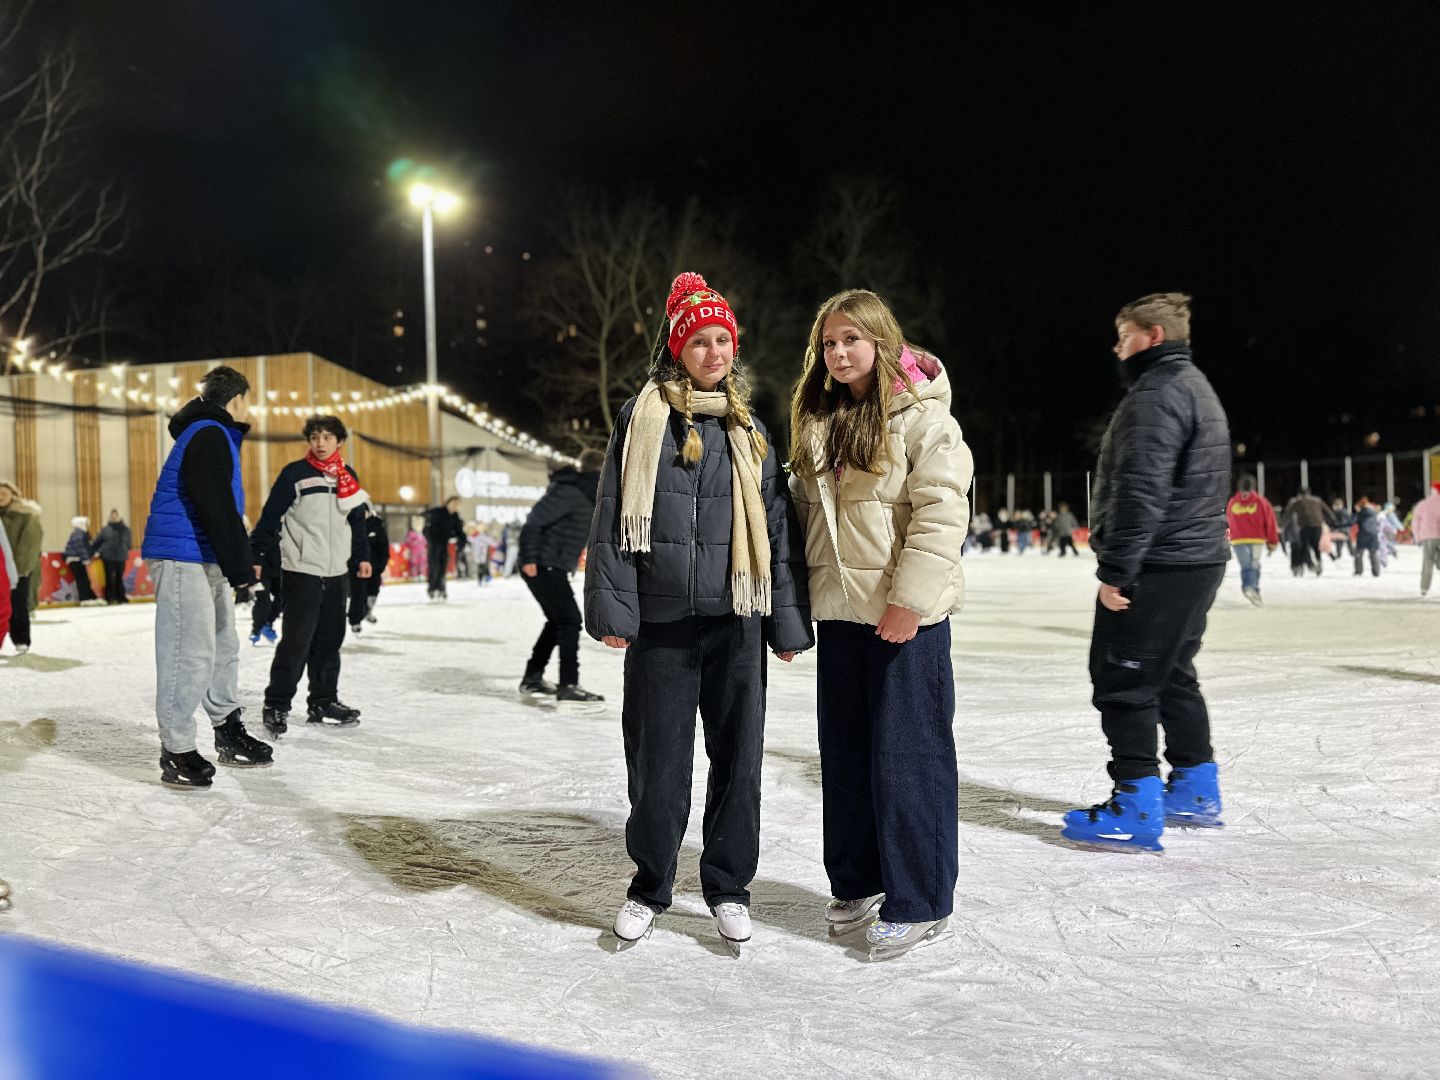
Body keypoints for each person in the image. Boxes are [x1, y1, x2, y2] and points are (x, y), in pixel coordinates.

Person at [585, 272, 812, 952]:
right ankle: (650, 884)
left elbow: (775, 530)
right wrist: (615, 609)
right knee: (658, 765)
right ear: (677, 349)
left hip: (736, 620)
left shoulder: (750, 430)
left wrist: (786, 622)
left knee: (739, 761)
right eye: (700, 342)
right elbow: (612, 513)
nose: (714, 353)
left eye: (723, 340)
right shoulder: (642, 418)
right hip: (661, 624)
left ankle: (729, 887)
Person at [789, 288, 972, 960]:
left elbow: (942, 512)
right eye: (828, 343)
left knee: (909, 761)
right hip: (841, 616)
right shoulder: (818, 420)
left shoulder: (923, 417)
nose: (838, 354)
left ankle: (920, 899)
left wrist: (909, 601)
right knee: (845, 758)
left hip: (904, 621)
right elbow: (805, 520)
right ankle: (859, 879)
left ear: (881, 342)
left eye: (851, 340)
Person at [1064, 292, 1231, 852]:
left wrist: (1117, 570)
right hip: (1196, 557)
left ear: (1152, 336)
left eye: (1124, 336)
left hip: (1162, 560)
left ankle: (1135, 804)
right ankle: (1194, 787)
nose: (1118, 348)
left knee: (1124, 676)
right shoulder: (1195, 386)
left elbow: (1141, 490)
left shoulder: (1157, 394)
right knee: (1172, 670)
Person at [140, 365, 272, 788]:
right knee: (188, 651)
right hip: (183, 554)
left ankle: (227, 728)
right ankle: (176, 749)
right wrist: (241, 567)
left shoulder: (212, 433)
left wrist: (233, 562)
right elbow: (214, 502)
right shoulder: (209, 433)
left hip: (204, 553)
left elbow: (220, 505)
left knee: (222, 646)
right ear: (237, 399)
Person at [251, 414, 372, 735]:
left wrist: (362, 557)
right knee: (296, 641)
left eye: (327, 437)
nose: (320, 443)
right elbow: (270, 517)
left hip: (336, 573)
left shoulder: (347, 476)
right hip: (302, 570)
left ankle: (323, 700)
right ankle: (276, 704)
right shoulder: (295, 474)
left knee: (330, 640)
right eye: (315, 437)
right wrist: (256, 555)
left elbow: (357, 523)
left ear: (339, 442)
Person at [518, 449, 605, 701]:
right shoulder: (571, 491)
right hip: (542, 564)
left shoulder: (588, 493)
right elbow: (534, 522)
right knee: (569, 620)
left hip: (552, 564)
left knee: (558, 621)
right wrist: (529, 558)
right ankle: (568, 684)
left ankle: (532, 678)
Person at [0, 482, 42, 654]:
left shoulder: (25, 515)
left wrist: (20, 569)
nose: (1, 497)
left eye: (4, 493)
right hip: (2, 568)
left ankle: (21, 638)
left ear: (13, 495)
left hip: (19, 568)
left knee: (17, 604)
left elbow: (30, 543)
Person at [1225, 475, 1279, 606]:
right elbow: (1270, 521)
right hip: (1256, 540)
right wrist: (1272, 541)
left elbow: (1227, 521)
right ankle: (1249, 587)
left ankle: (1253, 589)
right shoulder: (1261, 502)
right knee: (1252, 564)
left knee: (1248, 564)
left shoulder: (1233, 502)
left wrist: (1226, 537)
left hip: (1239, 540)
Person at [348, 507, 388, 632]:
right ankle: (355, 620)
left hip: (374, 568)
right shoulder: (352, 524)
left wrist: (381, 566)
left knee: (373, 592)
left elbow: (384, 547)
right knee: (358, 594)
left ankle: (367, 611)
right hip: (356, 567)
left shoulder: (377, 525)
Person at [1279, 488, 1333, 575]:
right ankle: (1319, 561)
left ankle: (1300, 566)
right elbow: (1327, 511)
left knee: (1304, 546)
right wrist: (1333, 522)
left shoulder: (1298, 502)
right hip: (1317, 526)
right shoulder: (1317, 500)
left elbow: (1288, 514)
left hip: (1305, 526)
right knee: (1316, 546)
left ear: (1299, 495)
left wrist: (1281, 525)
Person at [248, 520, 283, 646]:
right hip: (261, 571)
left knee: (282, 598)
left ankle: (268, 623)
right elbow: (253, 544)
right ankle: (256, 630)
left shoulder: (288, 526)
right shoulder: (264, 525)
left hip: (280, 570)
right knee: (263, 601)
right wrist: (255, 563)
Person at [423, 496, 465, 600]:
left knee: (442, 566)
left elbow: (459, 531)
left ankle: (441, 588)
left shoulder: (454, 516)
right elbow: (426, 517)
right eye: (454, 503)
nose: (455, 506)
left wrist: (462, 541)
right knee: (434, 566)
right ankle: (432, 588)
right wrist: (429, 535)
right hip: (434, 543)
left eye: (457, 504)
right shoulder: (438, 512)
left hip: (444, 544)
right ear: (448, 503)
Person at [93, 509, 133, 604]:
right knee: (109, 578)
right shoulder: (105, 530)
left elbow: (128, 543)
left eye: (116, 516)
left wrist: (124, 548)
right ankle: (110, 597)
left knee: (119, 577)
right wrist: (100, 551)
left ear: (120, 517)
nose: (114, 517)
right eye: (113, 516)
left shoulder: (126, 530)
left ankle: (121, 597)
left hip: (121, 557)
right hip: (108, 557)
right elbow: (97, 542)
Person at [63, 516, 102, 605]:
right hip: (75, 559)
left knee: (84, 579)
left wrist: (92, 554)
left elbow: (86, 546)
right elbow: (80, 547)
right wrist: (85, 558)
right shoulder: (79, 533)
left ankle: (91, 596)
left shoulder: (81, 533)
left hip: (77, 559)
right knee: (82, 580)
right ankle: (84, 598)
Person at [1412, 482, 1440, 597]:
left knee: (1427, 562)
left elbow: (1416, 521)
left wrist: (1417, 538)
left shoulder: (1423, 504)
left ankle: (1424, 588)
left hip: (1428, 537)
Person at [1352, 496, 1382, 577]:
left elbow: (1352, 521)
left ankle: (1358, 571)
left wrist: (1357, 512)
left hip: (1363, 534)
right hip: (1373, 534)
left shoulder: (1360, 513)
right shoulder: (1373, 512)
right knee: (1373, 553)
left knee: (1358, 553)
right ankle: (1376, 572)